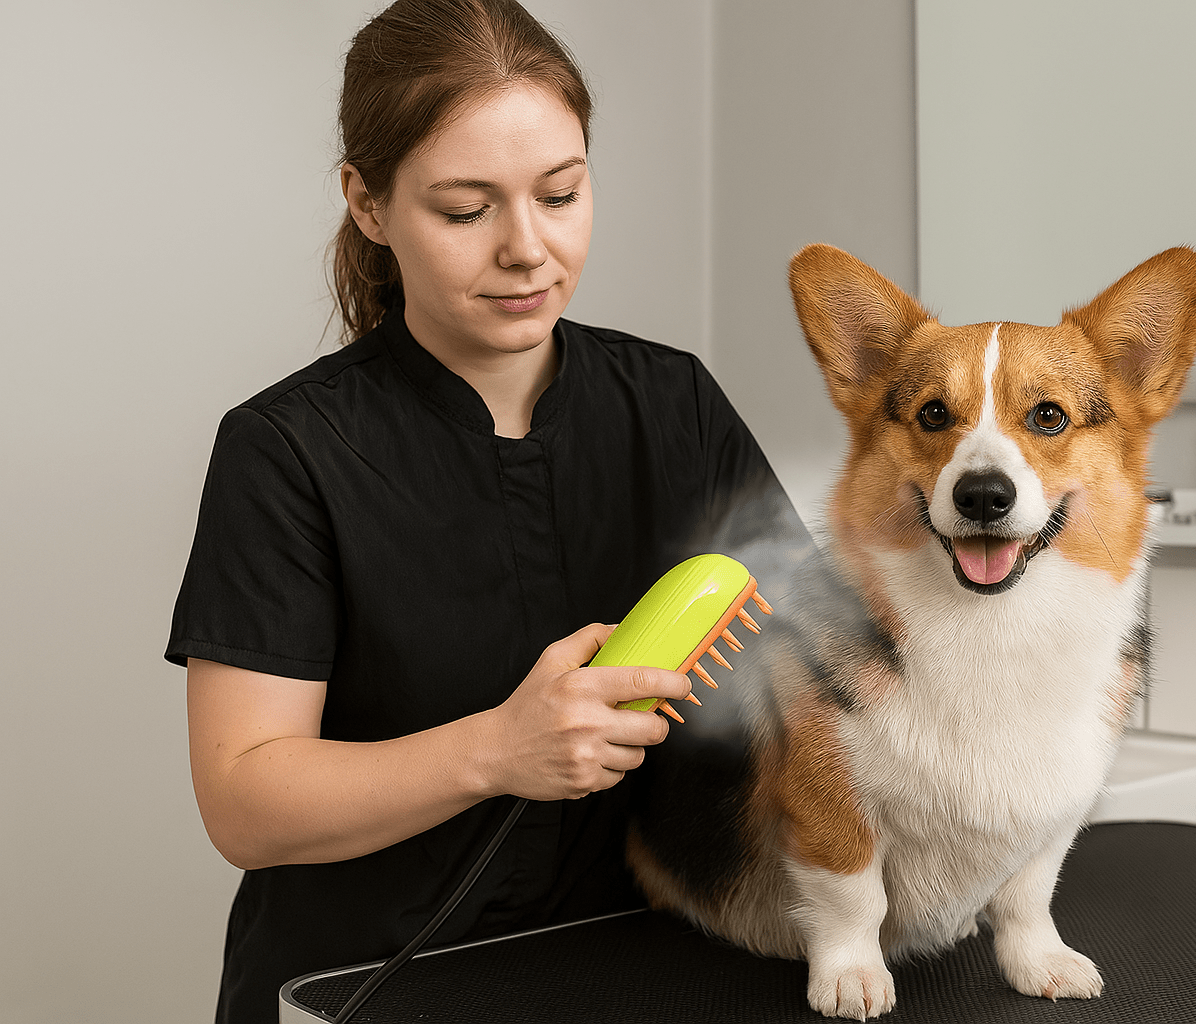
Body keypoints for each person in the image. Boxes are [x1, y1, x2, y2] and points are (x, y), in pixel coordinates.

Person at [165, 2, 809, 1021]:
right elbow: (244, 801)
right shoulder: (286, 452)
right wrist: (499, 751)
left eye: (561, 194)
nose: (527, 248)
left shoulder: (675, 404)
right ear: (368, 205)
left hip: (633, 972)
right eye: (466, 210)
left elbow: (814, 676)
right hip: (354, 987)